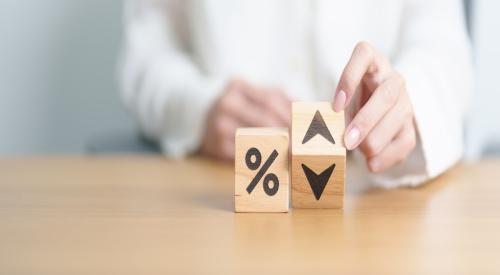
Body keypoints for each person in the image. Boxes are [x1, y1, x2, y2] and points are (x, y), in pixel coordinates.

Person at [120, 0, 472, 187]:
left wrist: (408, 100)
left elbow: (445, 48)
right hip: (217, 181)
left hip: (371, 194)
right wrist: (200, 106)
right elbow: (146, 53)